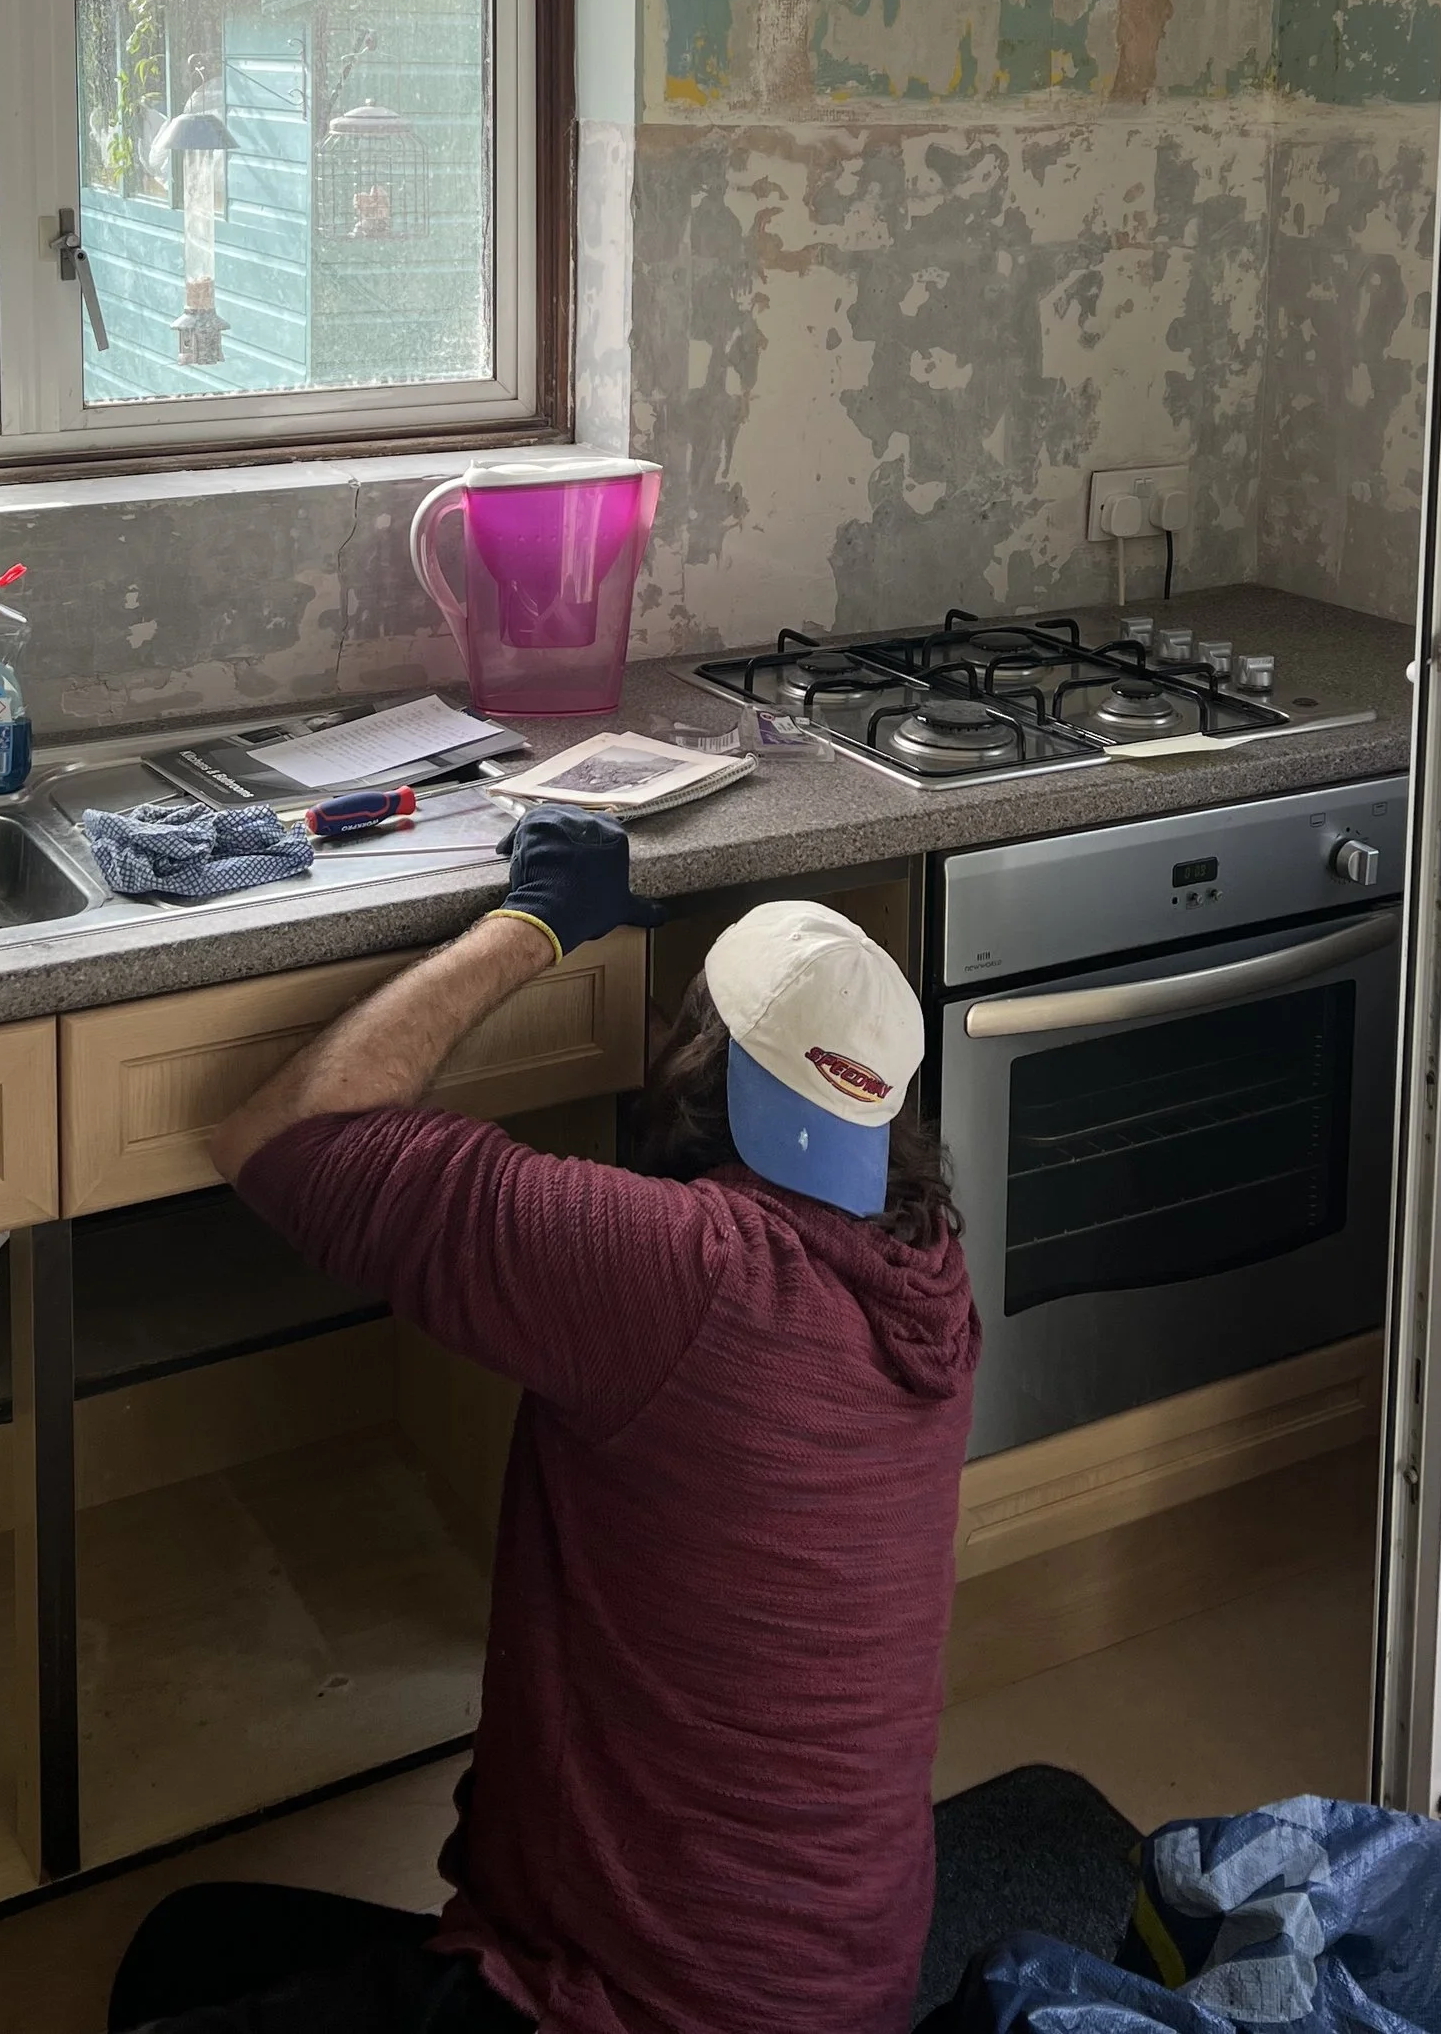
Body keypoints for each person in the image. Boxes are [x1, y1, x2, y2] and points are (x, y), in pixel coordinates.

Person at [109, 806, 980, 2034]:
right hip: (831, 1988)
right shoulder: (928, 1277)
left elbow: (286, 1135)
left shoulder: (680, 1278)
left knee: (167, 1980)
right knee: (190, 1946)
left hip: (620, 2007)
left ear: (707, 1074)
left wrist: (534, 926)